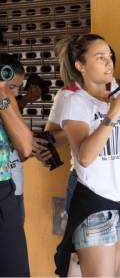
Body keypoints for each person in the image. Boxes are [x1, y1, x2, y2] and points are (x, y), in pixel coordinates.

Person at [53, 34, 120, 277]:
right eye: (100, 58)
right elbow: (85, 157)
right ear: (80, 65)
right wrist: (113, 113)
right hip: (95, 205)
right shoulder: (74, 100)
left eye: (110, 57)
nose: (109, 63)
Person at [0, 54, 33, 276]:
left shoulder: (5, 103)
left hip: (3, 190)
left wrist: (3, 95)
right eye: (12, 87)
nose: (15, 93)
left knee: (14, 269)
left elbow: (25, 146)